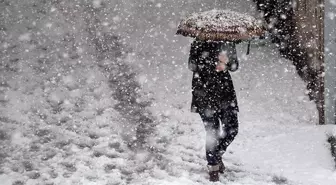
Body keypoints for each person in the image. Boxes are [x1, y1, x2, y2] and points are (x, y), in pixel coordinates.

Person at [188, 39, 239, 182]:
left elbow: (234, 66)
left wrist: (227, 62)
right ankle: (213, 167)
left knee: (232, 128)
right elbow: (192, 65)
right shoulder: (198, 43)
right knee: (212, 131)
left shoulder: (228, 42)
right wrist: (214, 63)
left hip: (225, 93)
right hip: (204, 92)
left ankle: (216, 155)